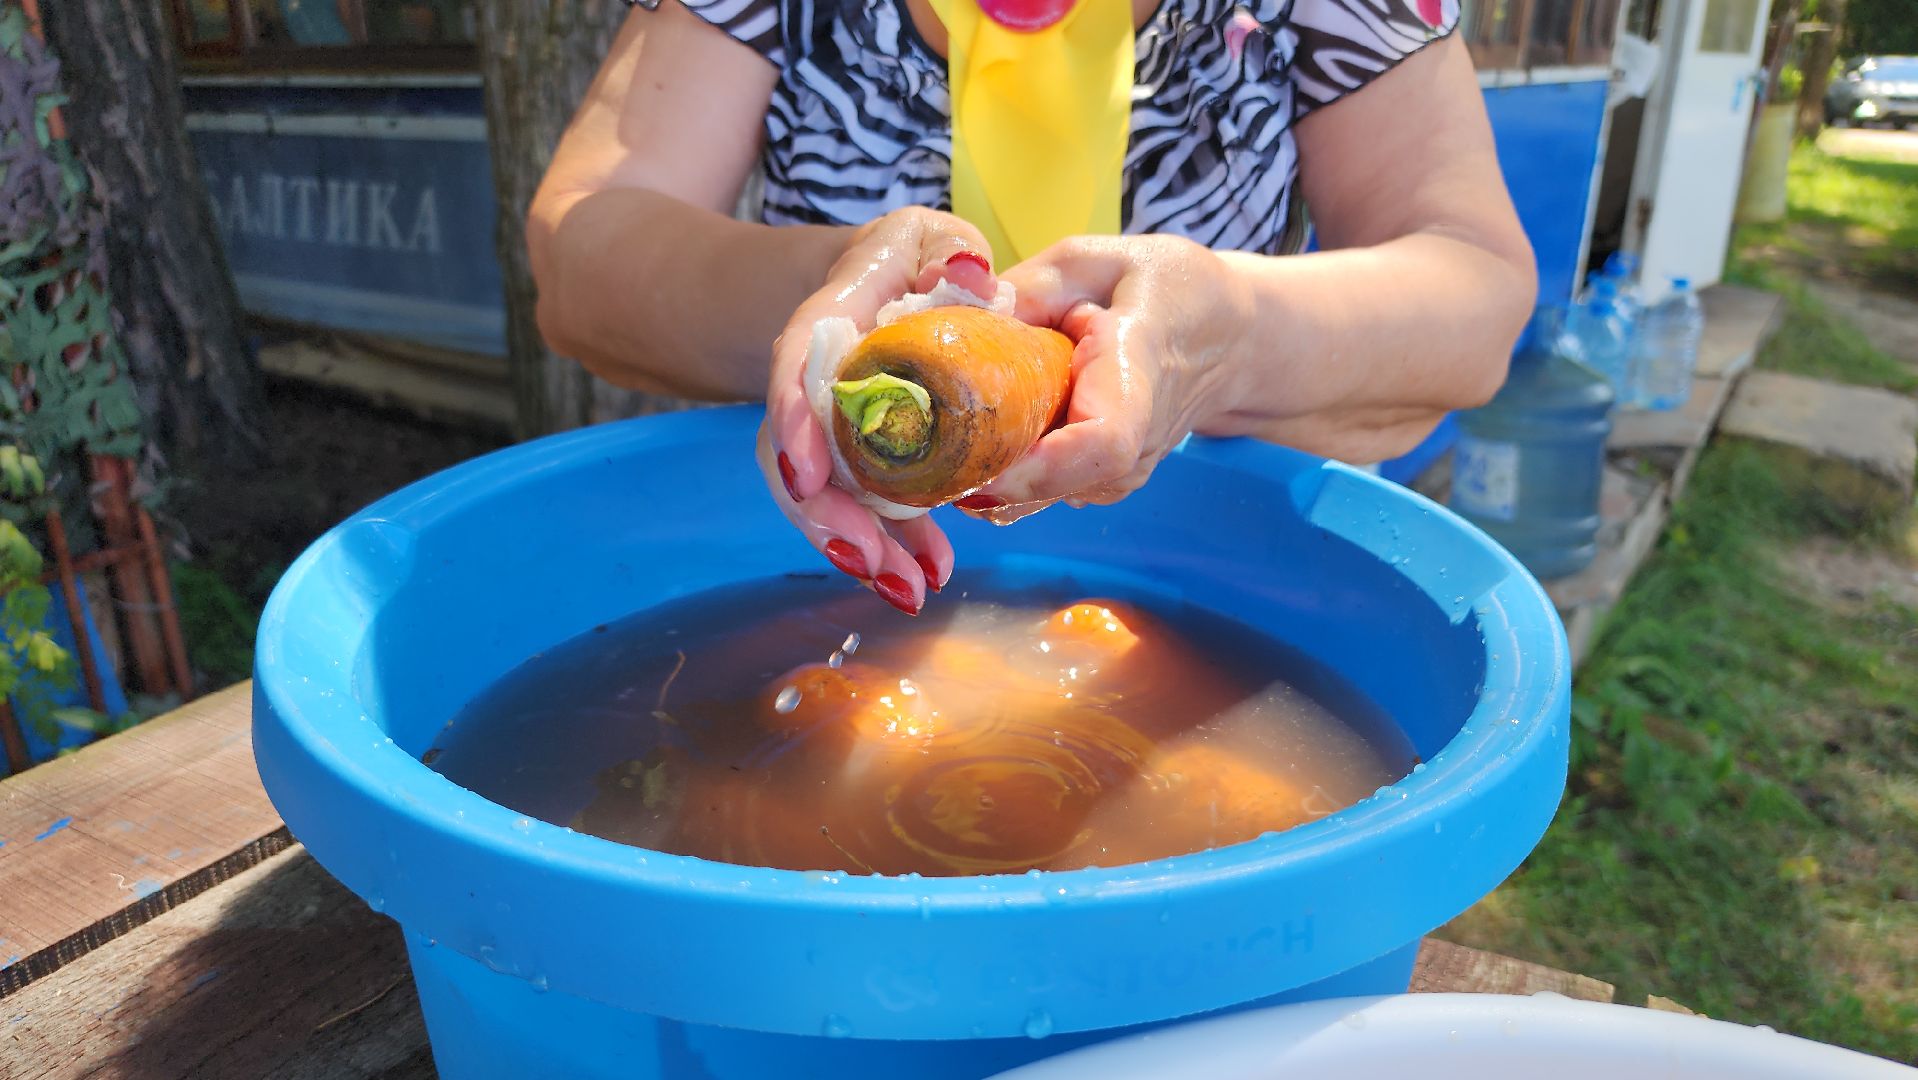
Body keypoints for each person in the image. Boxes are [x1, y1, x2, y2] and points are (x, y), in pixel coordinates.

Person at [527, 0, 1536, 616]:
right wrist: (839, 299)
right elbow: (582, 259)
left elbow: (1476, 293)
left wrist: (1228, 333)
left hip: (1222, 576)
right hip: (831, 574)